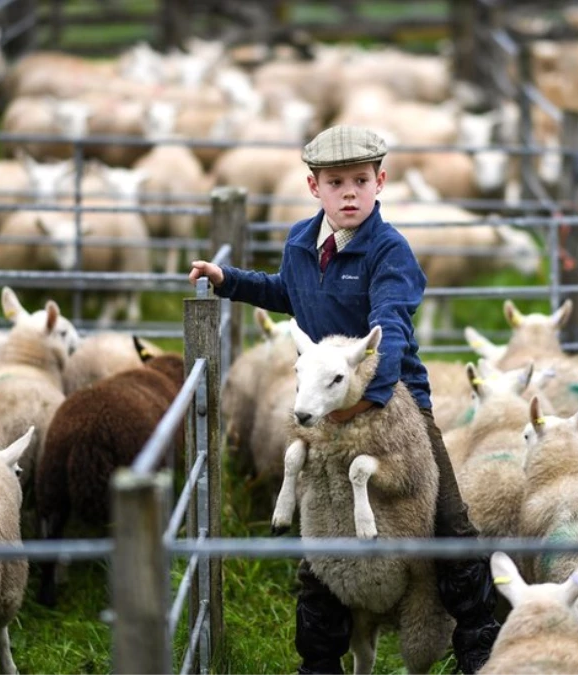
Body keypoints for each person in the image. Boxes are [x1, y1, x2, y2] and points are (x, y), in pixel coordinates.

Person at [188, 125, 500, 674]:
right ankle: (320, 662)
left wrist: (367, 401)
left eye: (361, 180)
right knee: (322, 533)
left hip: (394, 404)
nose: (350, 193)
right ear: (315, 188)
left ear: (381, 182)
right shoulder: (300, 244)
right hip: (321, 408)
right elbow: (287, 293)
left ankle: (481, 649)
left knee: (450, 523)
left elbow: (392, 329)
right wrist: (228, 280)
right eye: (337, 183)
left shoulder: (390, 251)